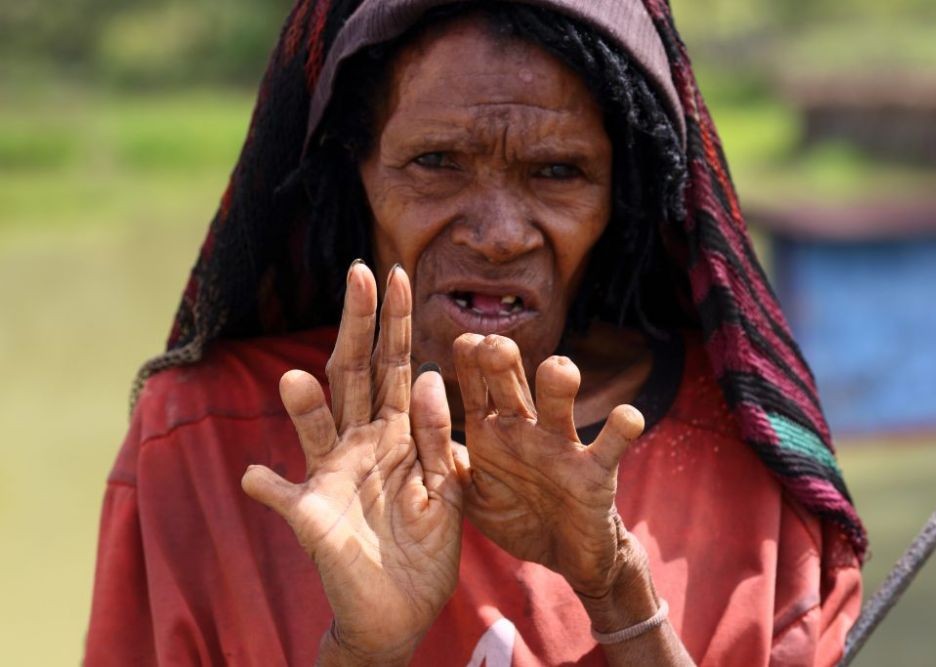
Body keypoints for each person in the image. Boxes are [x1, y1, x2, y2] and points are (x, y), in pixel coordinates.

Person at [85, 1, 867, 665]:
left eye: (558, 171)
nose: (498, 234)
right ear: (351, 170)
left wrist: (619, 596)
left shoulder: (746, 466)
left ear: (622, 194)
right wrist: (363, 650)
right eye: (436, 161)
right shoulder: (205, 442)